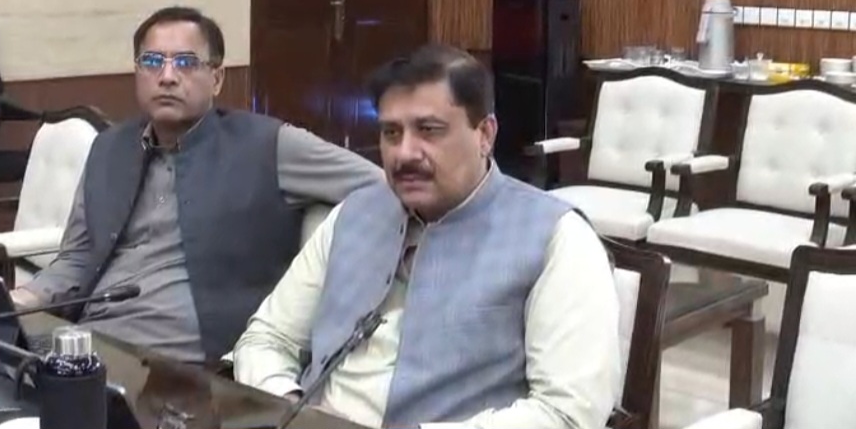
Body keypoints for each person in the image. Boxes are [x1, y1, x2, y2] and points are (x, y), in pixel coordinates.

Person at [233, 45, 621, 429]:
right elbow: (267, 338)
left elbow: (567, 413)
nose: (404, 154)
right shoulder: (352, 215)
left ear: (485, 134)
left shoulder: (557, 237)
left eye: (429, 130)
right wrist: (291, 408)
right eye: (391, 133)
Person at [11, 6, 384, 365]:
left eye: (186, 63)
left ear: (217, 78)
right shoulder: (109, 149)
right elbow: (78, 256)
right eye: (152, 62)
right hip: (85, 342)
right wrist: (23, 299)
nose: (167, 76)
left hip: (183, 365)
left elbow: (383, 186)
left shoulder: (267, 145)